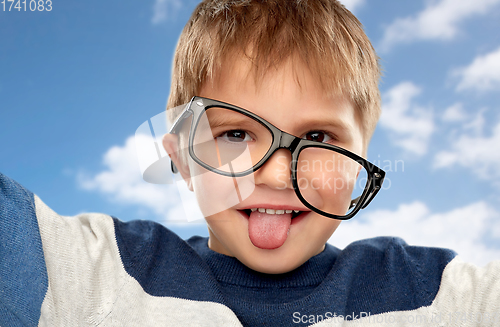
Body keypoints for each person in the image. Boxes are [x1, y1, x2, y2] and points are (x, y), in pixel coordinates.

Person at [1, 0, 498, 326]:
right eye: (236, 133)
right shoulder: (102, 274)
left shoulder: (431, 294)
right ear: (180, 157)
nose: (279, 175)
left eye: (319, 136)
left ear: (359, 161)